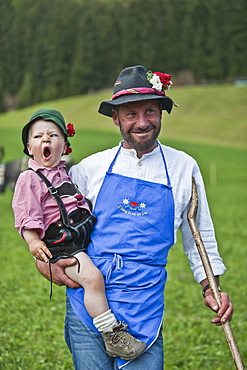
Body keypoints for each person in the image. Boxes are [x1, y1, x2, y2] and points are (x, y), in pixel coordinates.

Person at [36, 66, 234, 370]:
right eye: (130, 114)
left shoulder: (183, 168)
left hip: (144, 304)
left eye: (150, 111)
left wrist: (211, 287)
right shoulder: (90, 169)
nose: (142, 123)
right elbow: (53, 224)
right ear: (115, 118)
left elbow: (200, 235)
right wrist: (44, 262)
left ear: (161, 113)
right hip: (88, 306)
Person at [12, 108, 146, 361]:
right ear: (30, 148)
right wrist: (33, 241)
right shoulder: (29, 178)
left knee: (93, 277)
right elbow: (25, 211)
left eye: (53, 135)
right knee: (93, 278)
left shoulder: (65, 173)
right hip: (60, 245)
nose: (46, 140)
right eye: (38, 137)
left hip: (75, 239)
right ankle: (112, 335)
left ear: (65, 145)